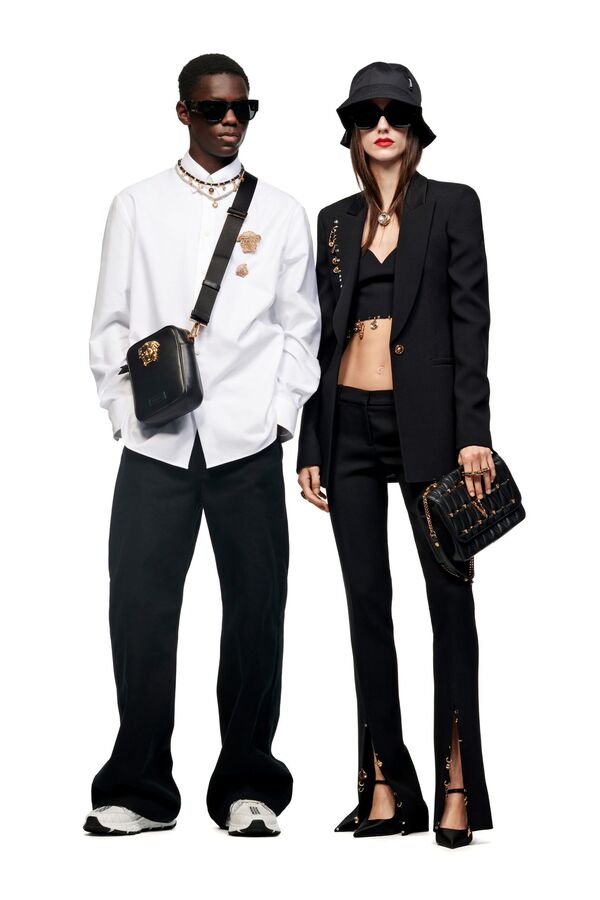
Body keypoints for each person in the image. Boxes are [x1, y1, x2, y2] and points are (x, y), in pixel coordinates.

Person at [85, 53, 321, 837]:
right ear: (183, 111)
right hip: (155, 446)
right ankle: (139, 788)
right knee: (139, 611)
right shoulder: (136, 204)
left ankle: (249, 784)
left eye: (242, 108)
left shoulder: (280, 212)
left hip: (245, 444)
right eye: (213, 107)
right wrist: (126, 417)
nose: (229, 120)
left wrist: (275, 418)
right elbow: (110, 325)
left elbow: (301, 328)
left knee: (256, 612)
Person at [296, 61, 494, 848]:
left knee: (450, 604)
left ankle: (456, 783)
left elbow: (472, 322)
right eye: (367, 114)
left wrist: (474, 431)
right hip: (346, 423)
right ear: (352, 131)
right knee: (365, 605)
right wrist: (312, 438)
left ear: (414, 130)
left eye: (396, 114)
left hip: (433, 429)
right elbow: (317, 338)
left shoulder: (453, 205)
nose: (382, 125)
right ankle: (382, 783)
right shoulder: (334, 221)